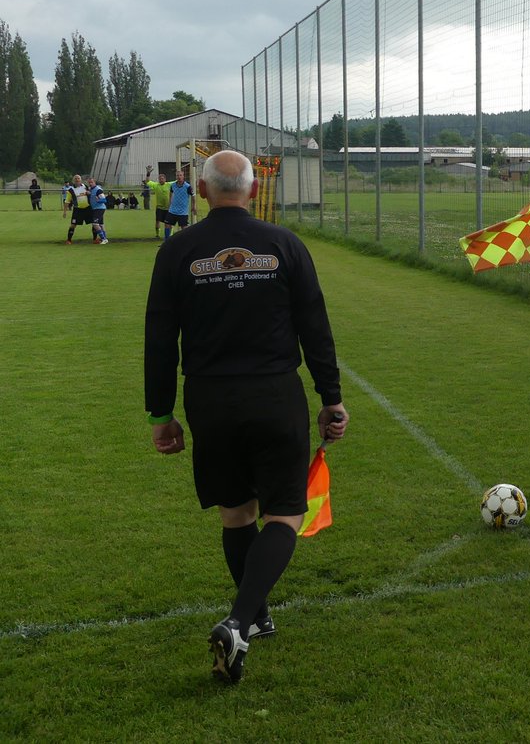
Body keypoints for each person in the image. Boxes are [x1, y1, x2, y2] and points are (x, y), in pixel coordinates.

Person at [144, 148, 348, 684]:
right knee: (284, 513)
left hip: (209, 400)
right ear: (253, 191)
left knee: (236, 514)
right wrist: (332, 396)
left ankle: (255, 616)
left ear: (204, 191)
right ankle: (239, 619)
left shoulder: (178, 251)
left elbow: (160, 338)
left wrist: (161, 414)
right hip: (275, 394)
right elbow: (316, 327)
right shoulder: (285, 245)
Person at [163, 168, 196, 239]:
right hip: (173, 210)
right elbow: (171, 194)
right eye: (177, 175)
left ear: (183, 176)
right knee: (167, 224)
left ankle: (185, 241)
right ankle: (166, 241)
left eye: (180, 175)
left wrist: (194, 206)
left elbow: (193, 196)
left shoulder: (188, 186)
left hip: (183, 211)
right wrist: (170, 204)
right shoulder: (173, 185)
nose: (179, 177)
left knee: (184, 228)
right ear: (176, 177)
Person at [145, 168, 172, 239]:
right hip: (159, 207)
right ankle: (157, 234)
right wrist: (148, 173)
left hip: (168, 207)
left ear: (165, 179)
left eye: (162, 179)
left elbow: (178, 181)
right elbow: (147, 181)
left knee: (168, 222)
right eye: (160, 179)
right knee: (157, 221)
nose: (161, 180)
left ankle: (169, 235)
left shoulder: (169, 184)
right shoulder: (156, 185)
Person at [64, 174, 91, 244]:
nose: (77, 180)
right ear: (73, 180)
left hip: (88, 208)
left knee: (94, 223)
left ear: (81, 179)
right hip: (77, 210)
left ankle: (95, 239)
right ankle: (69, 240)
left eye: (78, 178)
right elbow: (67, 201)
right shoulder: (71, 190)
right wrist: (65, 212)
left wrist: (89, 193)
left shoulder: (86, 187)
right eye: (75, 178)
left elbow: (91, 194)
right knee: (73, 225)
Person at [86, 177, 109, 244]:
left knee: (95, 223)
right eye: (89, 182)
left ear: (94, 182)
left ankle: (103, 239)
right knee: (101, 224)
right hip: (95, 209)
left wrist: (98, 200)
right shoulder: (91, 190)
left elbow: (104, 200)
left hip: (99, 208)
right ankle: (105, 239)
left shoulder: (98, 190)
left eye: (91, 182)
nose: (90, 184)